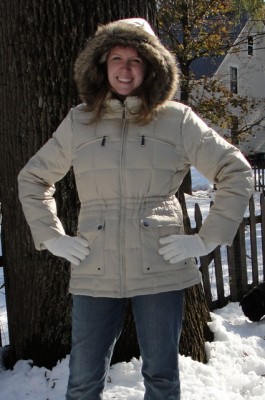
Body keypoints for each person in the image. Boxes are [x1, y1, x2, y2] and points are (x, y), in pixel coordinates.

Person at [18, 18, 253, 400]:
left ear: (151, 67)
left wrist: (206, 239)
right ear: (101, 64)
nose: (125, 69)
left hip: (159, 267)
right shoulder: (79, 122)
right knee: (82, 381)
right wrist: (50, 236)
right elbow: (32, 179)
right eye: (116, 58)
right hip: (95, 268)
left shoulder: (176, 119)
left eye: (136, 60)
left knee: (162, 378)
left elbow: (235, 171)